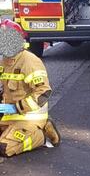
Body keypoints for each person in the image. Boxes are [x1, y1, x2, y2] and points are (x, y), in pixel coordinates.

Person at [0, 19, 60, 157]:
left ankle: (42, 134)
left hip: (29, 117)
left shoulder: (29, 61)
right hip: (9, 116)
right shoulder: (5, 61)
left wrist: (16, 108)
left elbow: (43, 93)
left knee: (4, 147)